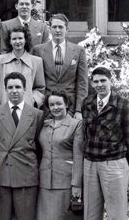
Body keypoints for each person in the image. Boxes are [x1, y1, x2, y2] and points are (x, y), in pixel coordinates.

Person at [82, 67, 129, 220]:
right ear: (92, 83)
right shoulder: (87, 103)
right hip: (89, 164)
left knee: (116, 214)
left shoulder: (125, 106)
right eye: (96, 81)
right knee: (90, 213)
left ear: (111, 81)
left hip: (114, 164)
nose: (99, 84)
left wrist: (121, 161)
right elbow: (85, 133)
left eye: (103, 80)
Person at [0, 72, 44, 220]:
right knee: (2, 216)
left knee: (25, 216)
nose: (14, 90)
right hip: (2, 172)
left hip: (26, 172)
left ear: (25, 89)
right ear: (5, 89)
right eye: (11, 87)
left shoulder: (37, 114)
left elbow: (39, 146)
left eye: (18, 87)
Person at [36, 91, 83, 220]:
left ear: (66, 104)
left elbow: (78, 157)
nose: (55, 107)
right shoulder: (44, 125)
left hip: (65, 183)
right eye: (51, 105)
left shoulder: (76, 124)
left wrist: (76, 185)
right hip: (44, 183)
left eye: (58, 104)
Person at [32, 13, 88, 119]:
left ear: (66, 29)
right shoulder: (38, 50)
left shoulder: (78, 51)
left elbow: (82, 83)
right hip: (46, 106)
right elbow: (35, 81)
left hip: (70, 106)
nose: (57, 30)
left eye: (61, 27)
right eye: (54, 27)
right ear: (49, 29)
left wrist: (79, 110)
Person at [0, 26, 46, 108]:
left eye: (20, 38)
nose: (17, 41)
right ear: (10, 41)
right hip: (4, 109)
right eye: (14, 39)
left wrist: (32, 100)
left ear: (25, 40)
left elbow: (40, 88)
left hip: (27, 109)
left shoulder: (36, 61)